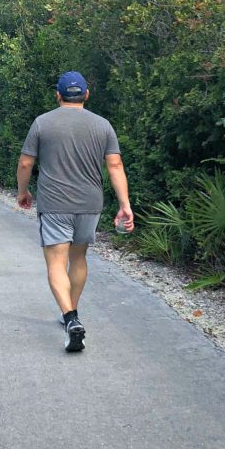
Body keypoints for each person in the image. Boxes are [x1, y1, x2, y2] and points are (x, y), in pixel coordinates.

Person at [16, 71, 134, 352]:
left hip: (55, 203)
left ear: (58, 95)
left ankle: (70, 317)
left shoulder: (42, 123)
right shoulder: (103, 125)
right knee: (78, 257)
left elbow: (25, 163)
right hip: (89, 203)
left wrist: (22, 191)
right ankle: (72, 312)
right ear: (86, 95)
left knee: (56, 262)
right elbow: (115, 166)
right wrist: (124, 204)